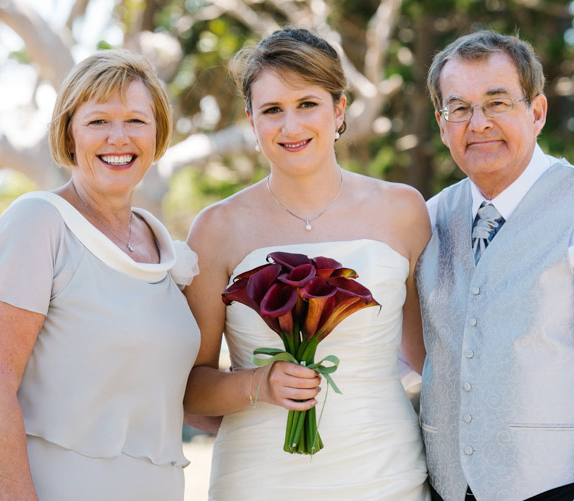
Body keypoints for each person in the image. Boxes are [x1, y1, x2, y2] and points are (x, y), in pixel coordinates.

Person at [416, 30, 574, 501]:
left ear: (536, 113)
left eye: (497, 103)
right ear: (441, 123)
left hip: (563, 490)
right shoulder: (427, 219)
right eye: (460, 108)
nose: (478, 123)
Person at [183, 28, 431, 500]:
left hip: (384, 473)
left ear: (339, 110)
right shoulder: (216, 228)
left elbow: (430, 360)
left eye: (307, 104)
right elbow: (190, 388)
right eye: (272, 109)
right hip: (259, 479)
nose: (290, 126)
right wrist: (260, 382)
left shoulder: (404, 211)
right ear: (251, 119)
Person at [0, 49, 200, 500]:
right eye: (98, 122)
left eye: (135, 120)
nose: (118, 137)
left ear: (158, 134)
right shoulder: (37, 223)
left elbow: (177, 397)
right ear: (69, 135)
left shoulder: (165, 248)